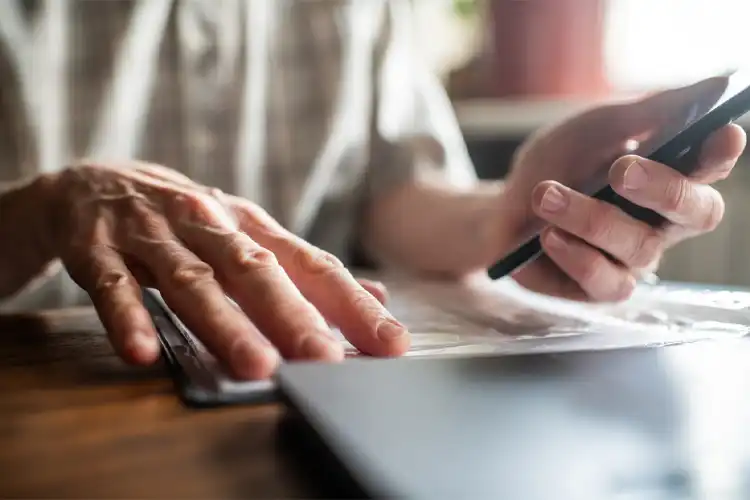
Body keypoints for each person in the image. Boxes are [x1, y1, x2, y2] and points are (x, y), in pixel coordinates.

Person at [0, 1, 744, 380]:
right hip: (50, 388)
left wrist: (507, 211)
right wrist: (44, 210)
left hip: (306, 390)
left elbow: (390, 192)